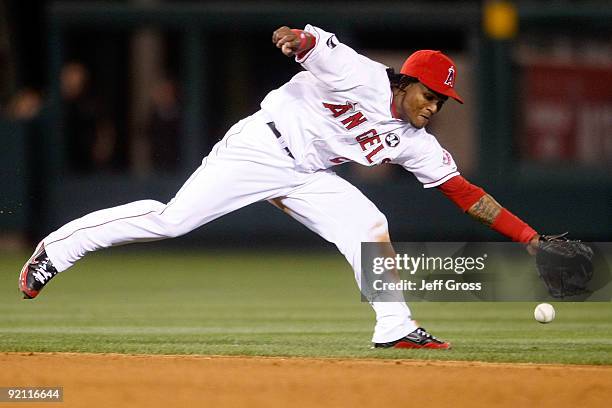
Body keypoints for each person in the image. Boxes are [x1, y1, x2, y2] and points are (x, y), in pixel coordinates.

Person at [19, 25, 540, 349]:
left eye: (442, 102)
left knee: (369, 224)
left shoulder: (416, 142)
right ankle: (60, 248)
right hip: (259, 148)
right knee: (171, 221)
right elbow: (312, 44)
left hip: (309, 174)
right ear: (407, 82)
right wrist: (296, 39)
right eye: (429, 94)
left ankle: (395, 326)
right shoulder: (360, 74)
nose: (433, 106)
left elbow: (464, 193)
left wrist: (530, 240)